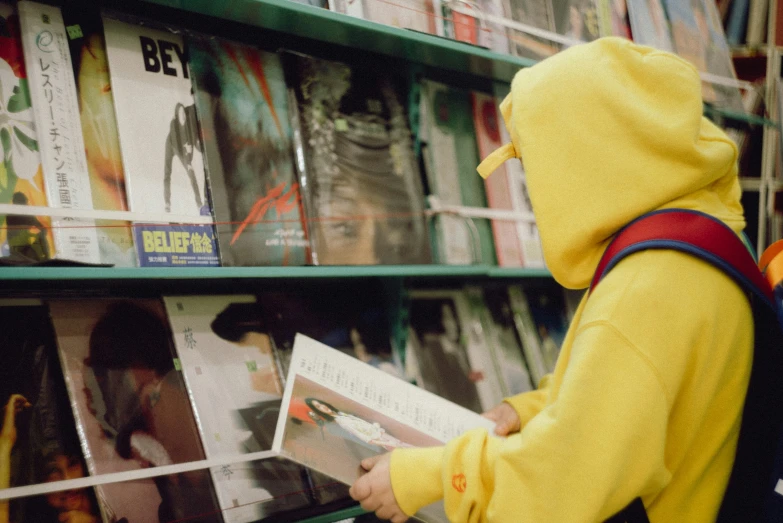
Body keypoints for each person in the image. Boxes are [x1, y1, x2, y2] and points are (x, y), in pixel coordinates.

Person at [350, 36, 754, 522]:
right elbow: (639, 406)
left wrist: (429, 476)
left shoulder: (644, 290)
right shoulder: (698, 242)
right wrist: (530, 411)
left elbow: (559, 487)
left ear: (586, 159)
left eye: (536, 163)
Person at [305, 398, 414, 452]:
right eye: (319, 407)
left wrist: (375, 426)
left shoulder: (341, 414)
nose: (323, 407)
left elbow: (362, 424)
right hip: (381, 439)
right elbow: (365, 438)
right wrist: (384, 442)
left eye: (321, 404)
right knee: (404, 450)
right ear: (318, 411)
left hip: (380, 432)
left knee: (405, 446)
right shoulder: (341, 422)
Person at [163, 102, 203, 214]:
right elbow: (178, 148)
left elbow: (194, 141)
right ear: (177, 115)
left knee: (191, 173)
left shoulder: (189, 123)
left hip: (184, 151)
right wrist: (187, 160)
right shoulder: (173, 125)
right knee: (167, 172)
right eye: (180, 113)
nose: (183, 115)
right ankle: (167, 202)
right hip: (172, 145)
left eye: (183, 112)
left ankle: (199, 204)